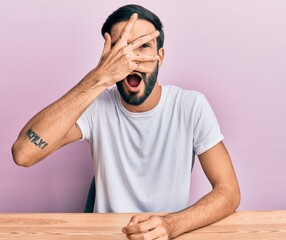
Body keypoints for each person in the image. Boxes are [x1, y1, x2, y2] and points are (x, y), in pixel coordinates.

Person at [12, 4, 240, 239]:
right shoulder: (96, 105)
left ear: (160, 57)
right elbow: (23, 153)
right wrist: (99, 77)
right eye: (121, 48)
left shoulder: (190, 106)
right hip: (106, 235)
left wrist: (171, 225)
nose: (132, 59)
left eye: (143, 45)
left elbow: (229, 191)